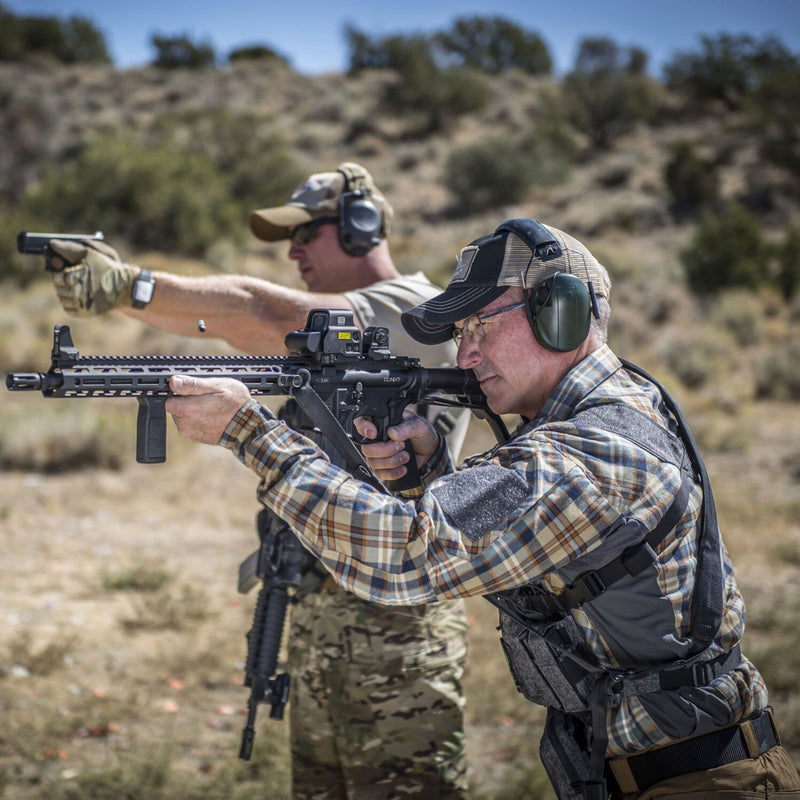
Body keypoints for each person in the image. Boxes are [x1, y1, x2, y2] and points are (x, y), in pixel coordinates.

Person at [164, 217, 800, 800]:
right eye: (462, 334)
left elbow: (404, 557)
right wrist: (429, 472)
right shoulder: (584, 423)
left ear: (562, 315)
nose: (465, 355)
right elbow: (519, 533)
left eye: (481, 327)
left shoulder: (603, 448)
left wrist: (249, 432)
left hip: (707, 781)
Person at [46, 163, 472, 800]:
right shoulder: (337, 333)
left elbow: (256, 309)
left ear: (361, 228)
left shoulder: (415, 310)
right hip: (324, 609)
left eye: (306, 233)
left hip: (396, 621)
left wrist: (126, 287)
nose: (293, 250)